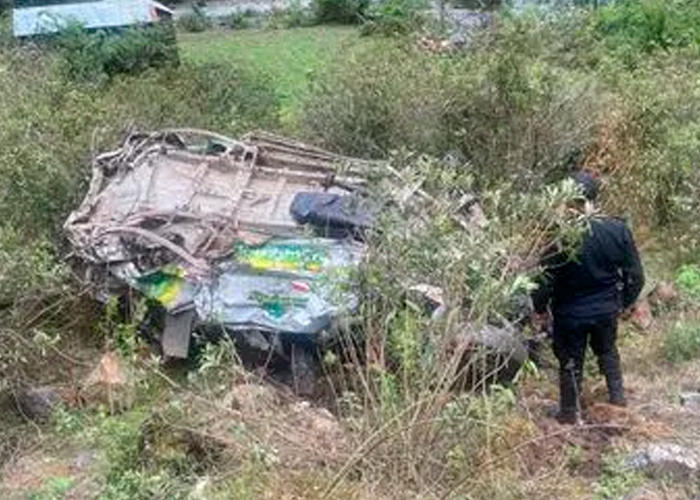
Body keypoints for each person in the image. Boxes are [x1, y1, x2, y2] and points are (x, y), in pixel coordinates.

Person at [532, 171, 645, 424]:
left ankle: (570, 413)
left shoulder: (559, 236)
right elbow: (636, 276)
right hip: (606, 309)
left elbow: (543, 281)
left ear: (567, 199)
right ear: (595, 197)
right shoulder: (618, 229)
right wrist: (623, 303)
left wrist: (539, 309)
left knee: (570, 361)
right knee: (607, 351)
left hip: (569, 314)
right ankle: (618, 400)